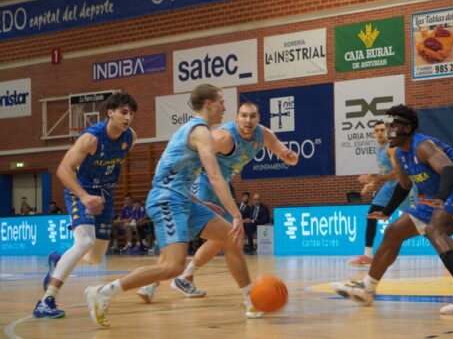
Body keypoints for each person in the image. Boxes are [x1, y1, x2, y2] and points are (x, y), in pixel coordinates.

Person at [84, 85, 271, 328]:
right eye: (222, 102)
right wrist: (236, 214)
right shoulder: (201, 132)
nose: (225, 107)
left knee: (231, 238)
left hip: (182, 198)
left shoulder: (200, 131)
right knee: (172, 266)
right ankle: (103, 292)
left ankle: (251, 300)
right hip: (166, 199)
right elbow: (214, 177)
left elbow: (180, 175)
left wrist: (201, 202)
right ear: (208, 104)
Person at [332, 104, 453, 315]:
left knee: (435, 228)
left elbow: (449, 170)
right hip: (434, 195)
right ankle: (367, 289)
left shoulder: (423, 145)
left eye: (392, 126)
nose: (388, 131)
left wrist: (441, 198)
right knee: (393, 232)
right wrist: (387, 211)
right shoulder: (399, 155)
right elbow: (404, 186)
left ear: (407, 128)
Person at [137, 101, 297, 301]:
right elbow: (192, 155)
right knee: (181, 231)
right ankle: (151, 282)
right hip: (202, 180)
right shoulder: (223, 137)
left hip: (222, 185)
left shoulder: (263, 135)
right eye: (244, 116)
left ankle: (185, 277)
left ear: (258, 118)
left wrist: (289, 156)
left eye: (252, 116)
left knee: (228, 234)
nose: (248, 120)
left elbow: (284, 153)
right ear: (236, 117)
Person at [32, 92, 137, 319]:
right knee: (84, 241)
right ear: (110, 112)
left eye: (131, 113)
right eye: (123, 112)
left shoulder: (130, 137)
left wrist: (100, 194)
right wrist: (84, 196)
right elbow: (63, 170)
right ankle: (46, 300)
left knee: (96, 258)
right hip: (79, 190)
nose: (128, 117)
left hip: (105, 195)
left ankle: (58, 260)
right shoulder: (91, 138)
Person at [349, 121, 418, 267]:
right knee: (371, 214)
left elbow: (398, 173)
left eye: (382, 130)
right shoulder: (377, 148)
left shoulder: (391, 148)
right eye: (376, 130)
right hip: (388, 186)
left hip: (402, 185)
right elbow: (385, 171)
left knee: (418, 220)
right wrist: (373, 183)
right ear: (374, 134)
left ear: (387, 132)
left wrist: (376, 179)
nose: (379, 132)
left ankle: (441, 240)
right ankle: (368, 255)